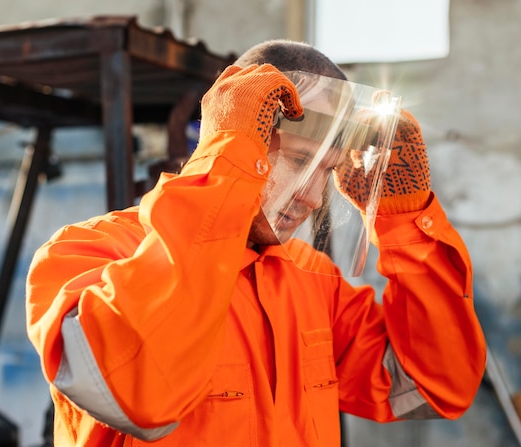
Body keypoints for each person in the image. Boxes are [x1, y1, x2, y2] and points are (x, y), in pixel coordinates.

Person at [25, 39, 486, 446]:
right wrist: (227, 168)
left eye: (327, 171)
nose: (312, 195)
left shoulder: (314, 279)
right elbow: (136, 394)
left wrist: (404, 219)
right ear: (236, 141)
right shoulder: (89, 254)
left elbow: (434, 387)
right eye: (300, 161)